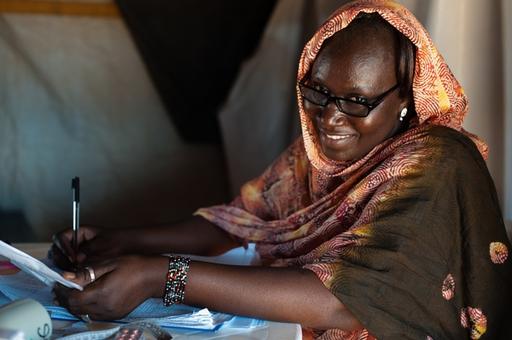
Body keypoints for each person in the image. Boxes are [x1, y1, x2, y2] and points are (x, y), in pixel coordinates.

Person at [51, 1, 512, 339]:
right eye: (316, 92)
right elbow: (245, 223)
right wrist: (121, 241)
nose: (330, 117)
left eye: (358, 101)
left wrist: (161, 275)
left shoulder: (439, 161)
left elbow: (342, 300)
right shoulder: (326, 152)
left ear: (406, 100)